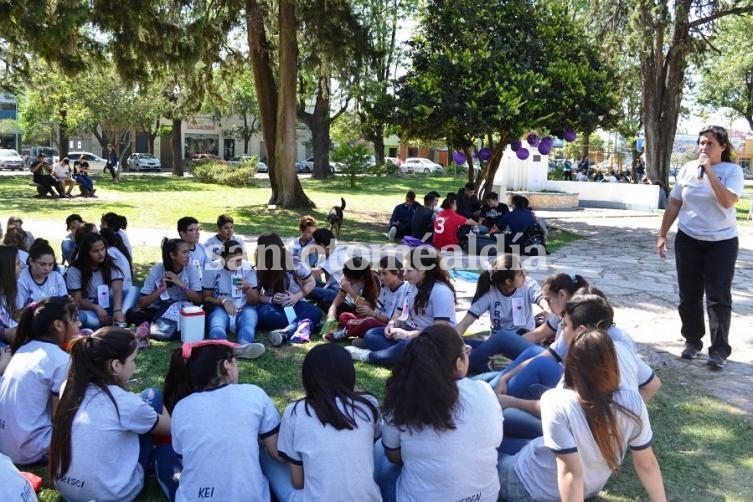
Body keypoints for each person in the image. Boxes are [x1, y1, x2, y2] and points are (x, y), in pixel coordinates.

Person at [497, 329, 667, 502]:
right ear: (613, 363)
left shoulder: (557, 401)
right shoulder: (632, 402)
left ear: (572, 364)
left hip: (528, 485)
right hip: (585, 485)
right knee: (505, 439)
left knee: (480, 449)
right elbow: (647, 464)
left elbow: (570, 474)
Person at [375, 324, 503, 502]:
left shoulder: (404, 399)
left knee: (382, 458)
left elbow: (393, 456)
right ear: (458, 363)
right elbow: (495, 440)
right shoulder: (484, 391)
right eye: (466, 351)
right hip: (485, 497)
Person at [657, 125, 744, 369]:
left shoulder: (732, 171)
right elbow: (674, 203)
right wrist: (662, 234)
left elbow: (727, 202)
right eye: (702, 143)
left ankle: (718, 350)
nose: (704, 148)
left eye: (710, 144)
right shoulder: (686, 169)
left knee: (718, 297)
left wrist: (709, 171)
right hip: (689, 239)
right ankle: (692, 341)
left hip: (722, 242)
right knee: (689, 296)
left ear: (723, 147)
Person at [49, 327, 171, 501]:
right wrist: (157, 405)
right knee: (153, 395)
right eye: (133, 360)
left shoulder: (68, 388)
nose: (134, 367)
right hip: (111, 494)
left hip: (66, 488)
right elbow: (168, 427)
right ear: (115, 365)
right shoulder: (125, 403)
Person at [160, 339, 281, 501]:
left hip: (198, 496)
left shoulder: (181, 408)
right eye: (236, 363)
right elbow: (277, 453)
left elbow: (185, 461)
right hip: (252, 497)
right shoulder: (255, 394)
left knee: (163, 453)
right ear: (226, 365)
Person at [262, 344, 382, 501]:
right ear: (350, 374)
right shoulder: (369, 404)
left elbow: (299, 483)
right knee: (381, 442)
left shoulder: (295, 412)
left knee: (266, 453)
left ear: (308, 377)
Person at [347, 246, 456, 366]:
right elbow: (399, 313)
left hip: (428, 339)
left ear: (422, 270)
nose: (404, 275)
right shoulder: (410, 286)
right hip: (408, 333)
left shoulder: (440, 291)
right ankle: (399, 354)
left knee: (409, 346)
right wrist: (392, 324)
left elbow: (439, 329)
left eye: (408, 271)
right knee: (371, 334)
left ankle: (369, 355)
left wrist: (408, 335)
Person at [0, 297, 77, 465]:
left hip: (5, 445)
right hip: (29, 449)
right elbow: (60, 417)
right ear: (58, 325)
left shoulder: (23, 349)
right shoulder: (61, 360)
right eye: (74, 319)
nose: (78, 325)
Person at [454, 254, 547, 375]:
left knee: (499, 340)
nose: (525, 274)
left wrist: (545, 324)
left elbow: (546, 305)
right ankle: (490, 366)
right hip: (496, 343)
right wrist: (454, 343)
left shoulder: (528, 285)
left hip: (522, 338)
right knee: (466, 345)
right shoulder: (490, 293)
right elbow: (465, 322)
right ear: (508, 281)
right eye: (520, 273)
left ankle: (459, 367)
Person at [201, 240, 265, 357]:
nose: (236, 264)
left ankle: (244, 345)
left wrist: (248, 288)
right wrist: (223, 301)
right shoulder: (212, 267)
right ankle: (220, 347)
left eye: (239, 260)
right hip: (220, 307)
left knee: (249, 321)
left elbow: (254, 301)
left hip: (243, 306)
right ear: (222, 258)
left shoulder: (247, 268)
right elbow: (206, 297)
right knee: (217, 323)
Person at [255, 233, 323, 343]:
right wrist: (271, 299)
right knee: (263, 316)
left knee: (315, 311)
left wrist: (296, 297)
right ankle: (307, 324)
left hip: (296, 304)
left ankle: (287, 332)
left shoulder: (293, 261)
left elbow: (311, 282)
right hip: (273, 307)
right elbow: (256, 295)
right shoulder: (260, 267)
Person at [126, 238, 203, 327]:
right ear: (172, 255)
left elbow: (198, 299)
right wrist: (161, 289)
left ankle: (162, 325)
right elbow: (141, 304)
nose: (188, 256)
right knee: (131, 313)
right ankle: (169, 325)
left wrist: (181, 284)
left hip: (183, 310)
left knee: (204, 311)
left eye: (188, 252)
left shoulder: (191, 268)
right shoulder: (158, 269)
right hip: (159, 310)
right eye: (184, 252)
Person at [66, 232, 126, 329]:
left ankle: (118, 319)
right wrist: (96, 307)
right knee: (81, 317)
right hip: (91, 308)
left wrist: (117, 310)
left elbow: (117, 289)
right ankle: (113, 322)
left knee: (133, 291)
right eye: (95, 251)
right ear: (86, 253)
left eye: (103, 249)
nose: (101, 253)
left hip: (113, 304)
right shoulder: (75, 270)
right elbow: (77, 300)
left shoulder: (112, 263)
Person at [322, 256, 381, 342]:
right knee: (328, 304)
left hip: (369, 313)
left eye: (349, 278)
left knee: (359, 319)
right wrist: (331, 315)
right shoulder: (347, 278)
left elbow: (368, 307)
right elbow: (338, 300)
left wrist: (350, 290)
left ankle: (349, 329)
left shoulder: (372, 280)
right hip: (356, 310)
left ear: (360, 277)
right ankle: (347, 325)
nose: (346, 279)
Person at [308, 228, 354, 311]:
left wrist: (297, 271)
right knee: (309, 284)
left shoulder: (336, 256)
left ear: (321, 245)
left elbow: (316, 274)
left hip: (341, 294)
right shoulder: (329, 253)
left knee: (307, 289)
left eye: (314, 243)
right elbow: (322, 277)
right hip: (331, 286)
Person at [16, 239, 67, 310]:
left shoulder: (56, 277)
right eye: (42, 264)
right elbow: (17, 314)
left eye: (50, 264)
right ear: (31, 261)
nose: (47, 269)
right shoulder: (21, 280)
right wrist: (41, 304)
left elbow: (66, 304)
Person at [0, 246, 22, 348]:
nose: (21, 267)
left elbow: (14, 317)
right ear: (6, 267)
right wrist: (4, 333)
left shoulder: (10, 291)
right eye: (17, 263)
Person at [176, 216, 211, 282]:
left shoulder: (202, 248)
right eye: (192, 230)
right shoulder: (177, 250)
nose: (197, 233)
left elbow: (210, 267)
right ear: (182, 233)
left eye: (197, 229)